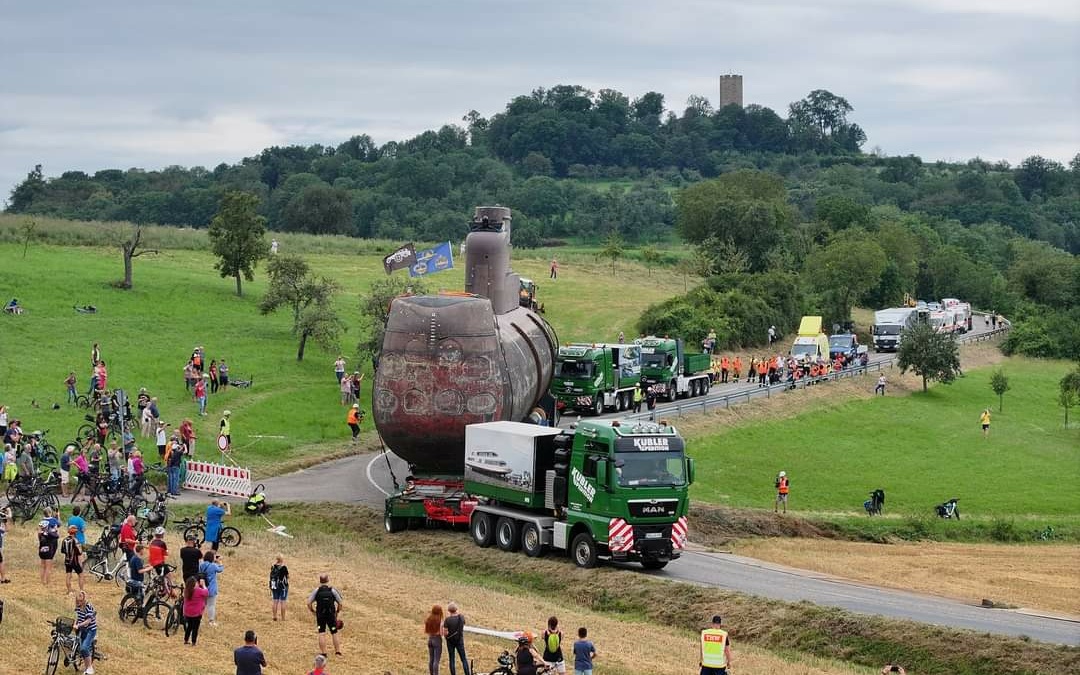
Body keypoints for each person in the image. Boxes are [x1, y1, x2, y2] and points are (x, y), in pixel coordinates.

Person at [308, 573, 344, 656]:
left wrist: (313, 611)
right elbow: (340, 603)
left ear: (320, 581)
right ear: (328, 580)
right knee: (334, 632)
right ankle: (337, 651)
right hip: (331, 614)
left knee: (321, 632)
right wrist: (337, 611)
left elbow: (309, 603)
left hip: (320, 615)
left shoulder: (317, 590)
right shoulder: (332, 590)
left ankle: (324, 653)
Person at [74, 590, 98, 674]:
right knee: (81, 648)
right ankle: (86, 665)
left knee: (84, 648)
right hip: (82, 629)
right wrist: (75, 624)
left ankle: (90, 668)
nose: (79, 602)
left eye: (81, 601)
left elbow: (88, 621)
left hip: (90, 630)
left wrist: (79, 625)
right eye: (78, 601)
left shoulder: (88, 607)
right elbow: (77, 616)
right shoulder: (78, 606)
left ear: (84, 600)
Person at [443, 601, 470, 675]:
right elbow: (463, 624)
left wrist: (447, 637)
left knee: (452, 659)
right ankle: (467, 673)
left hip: (450, 642)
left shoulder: (447, 620)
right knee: (463, 659)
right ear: (456, 609)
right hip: (459, 641)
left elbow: (445, 633)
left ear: (449, 610)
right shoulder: (461, 618)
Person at [199, 549, 225, 626]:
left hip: (203, 587)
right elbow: (220, 569)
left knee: (202, 604)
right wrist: (220, 562)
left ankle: (199, 619)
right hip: (212, 589)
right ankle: (211, 621)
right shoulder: (213, 566)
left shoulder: (202, 565)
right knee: (211, 605)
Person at [184, 574, 210, 645]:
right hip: (196, 613)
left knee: (189, 626)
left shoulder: (186, 590)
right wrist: (204, 585)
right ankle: (193, 642)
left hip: (187, 613)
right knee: (195, 628)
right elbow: (206, 592)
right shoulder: (198, 590)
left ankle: (186, 640)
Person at [61, 525, 85, 593]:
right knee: (81, 575)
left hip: (67, 560)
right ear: (75, 532)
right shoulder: (75, 540)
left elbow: (63, 551)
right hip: (74, 561)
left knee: (68, 575)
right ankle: (81, 590)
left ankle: (69, 591)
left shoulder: (64, 540)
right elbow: (79, 552)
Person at [39, 510, 60, 585]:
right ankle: (48, 582)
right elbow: (57, 534)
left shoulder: (41, 532)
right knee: (48, 566)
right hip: (49, 546)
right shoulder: (50, 532)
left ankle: (42, 581)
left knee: (42, 565)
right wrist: (57, 516)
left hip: (42, 547)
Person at [424, 604, 444, 675]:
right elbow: (441, 633)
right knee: (436, 661)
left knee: (431, 659)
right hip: (437, 640)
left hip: (430, 639)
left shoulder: (429, 619)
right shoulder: (440, 620)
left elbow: (427, 631)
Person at [270, 554, 289, 621]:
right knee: (283, 602)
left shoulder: (273, 566)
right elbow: (287, 576)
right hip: (283, 586)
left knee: (275, 601)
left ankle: (274, 616)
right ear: (282, 559)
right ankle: (283, 618)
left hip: (274, 585)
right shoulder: (284, 567)